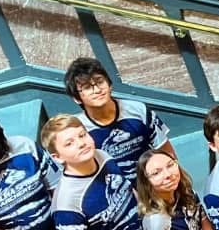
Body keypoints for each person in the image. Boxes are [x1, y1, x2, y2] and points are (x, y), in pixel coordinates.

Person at [64, 57, 173, 186]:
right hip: (117, 190)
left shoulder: (138, 110)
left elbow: (166, 151)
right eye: (87, 87)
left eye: (100, 82)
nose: (97, 90)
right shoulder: (78, 131)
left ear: (109, 84)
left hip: (154, 183)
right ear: (76, 98)